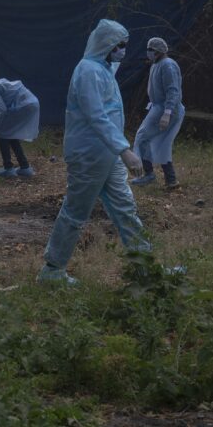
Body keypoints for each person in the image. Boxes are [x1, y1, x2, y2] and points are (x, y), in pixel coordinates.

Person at [37, 19, 148, 284]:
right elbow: (96, 116)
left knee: (125, 209)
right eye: (119, 45)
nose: (123, 50)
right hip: (89, 154)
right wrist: (125, 150)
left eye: (125, 45)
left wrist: (118, 150)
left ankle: (146, 267)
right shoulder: (88, 71)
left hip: (106, 154)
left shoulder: (103, 68)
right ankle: (53, 269)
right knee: (76, 211)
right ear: (106, 45)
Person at [131, 37, 185, 188]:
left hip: (166, 108)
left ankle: (148, 175)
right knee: (160, 143)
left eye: (151, 50)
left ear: (159, 50)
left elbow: (172, 90)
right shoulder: (157, 64)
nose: (149, 52)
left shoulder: (167, 65)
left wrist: (167, 112)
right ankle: (170, 179)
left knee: (142, 138)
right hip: (158, 107)